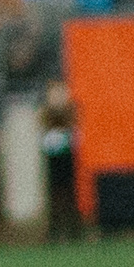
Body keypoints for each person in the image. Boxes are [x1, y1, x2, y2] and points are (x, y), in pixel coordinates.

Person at [39, 83, 82, 238]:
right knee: (55, 194)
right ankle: (54, 229)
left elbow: (75, 134)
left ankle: (73, 229)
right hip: (53, 159)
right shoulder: (45, 113)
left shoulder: (70, 111)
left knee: (70, 193)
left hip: (67, 158)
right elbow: (44, 136)